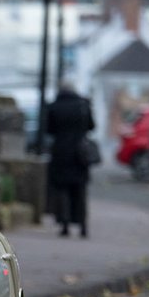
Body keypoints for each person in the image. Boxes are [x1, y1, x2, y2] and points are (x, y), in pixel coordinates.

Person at [45, 82, 95, 237]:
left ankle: (65, 224)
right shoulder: (83, 105)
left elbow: (49, 129)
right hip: (80, 153)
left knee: (62, 188)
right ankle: (83, 226)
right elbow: (92, 126)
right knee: (80, 189)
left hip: (60, 151)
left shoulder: (54, 106)